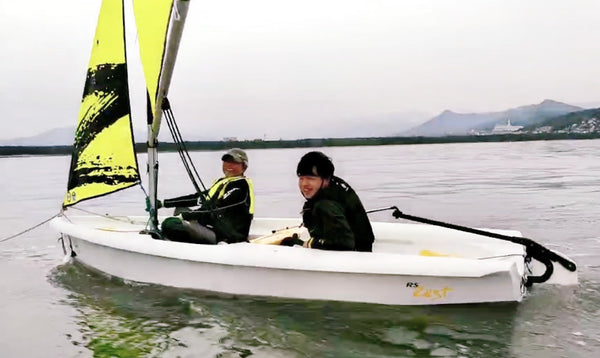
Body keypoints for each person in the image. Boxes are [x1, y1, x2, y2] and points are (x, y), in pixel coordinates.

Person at [160, 148, 254, 244]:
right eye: (226, 161)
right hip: (208, 225)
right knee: (180, 208)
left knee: (169, 225)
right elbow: (197, 198)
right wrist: (164, 203)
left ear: (244, 167)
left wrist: (184, 216)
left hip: (224, 235)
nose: (229, 165)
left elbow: (215, 208)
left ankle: (172, 242)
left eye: (234, 163)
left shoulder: (240, 187)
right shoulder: (223, 183)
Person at [292, 151, 375, 251]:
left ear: (326, 179)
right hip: (362, 251)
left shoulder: (325, 205)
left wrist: (307, 244)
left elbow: (344, 243)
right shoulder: (336, 188)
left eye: (310, 178)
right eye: (301, 178)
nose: (304, 184)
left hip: (353, 258)